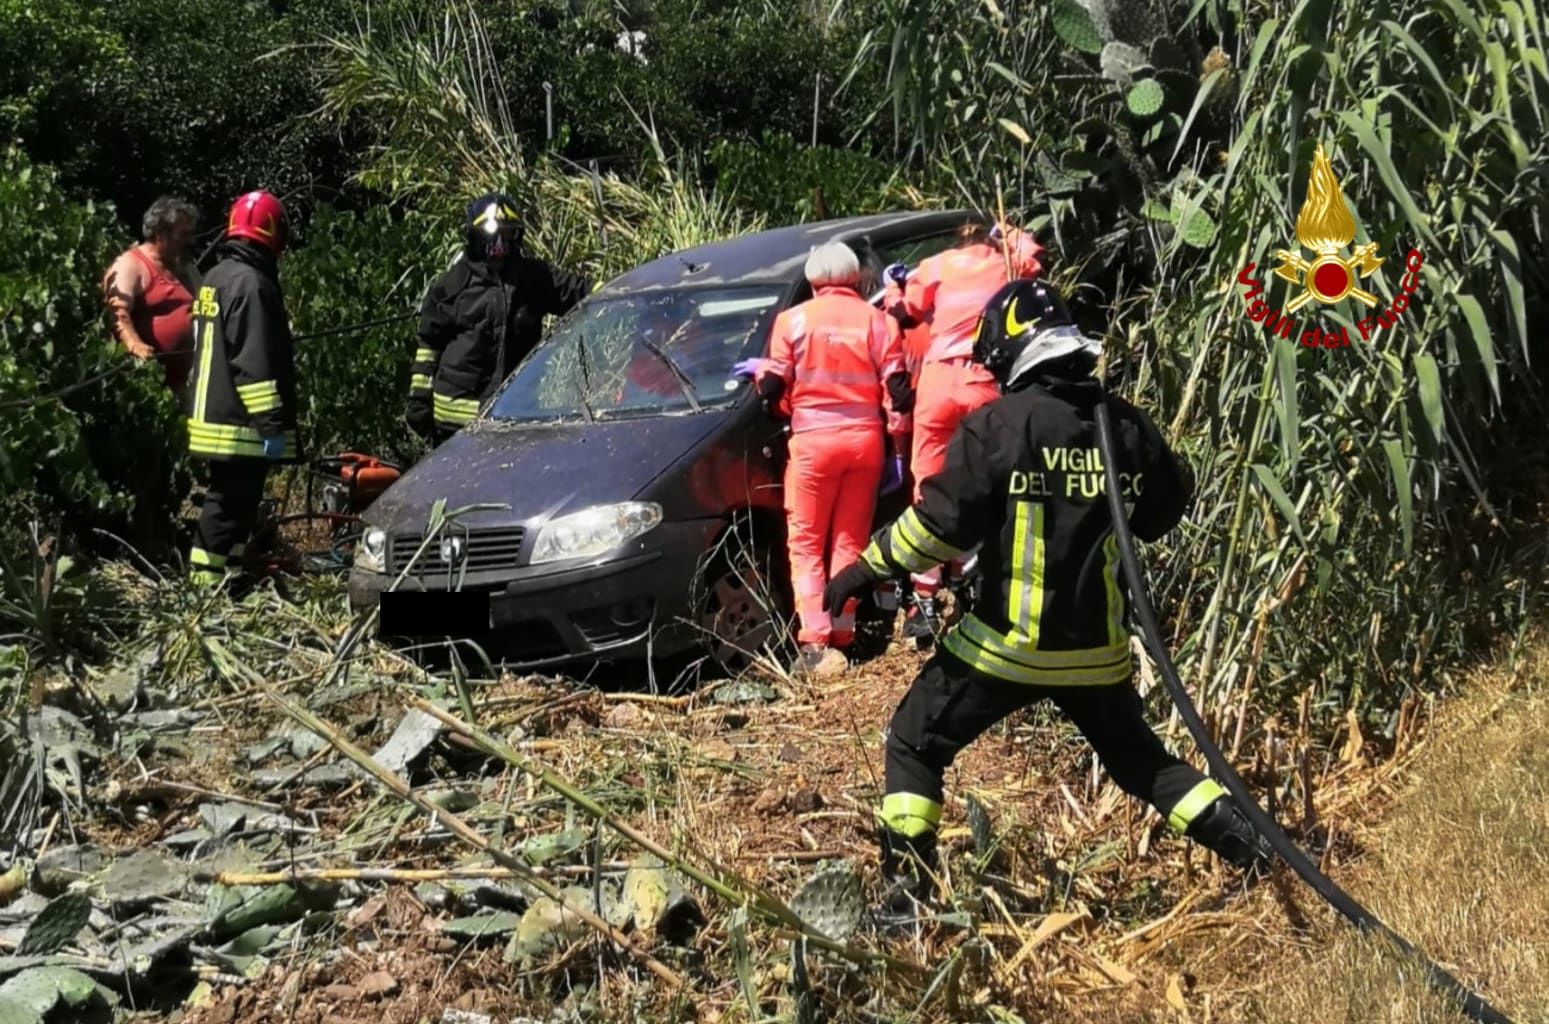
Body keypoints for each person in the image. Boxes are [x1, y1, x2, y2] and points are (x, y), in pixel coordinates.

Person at [824, 278, 1273, 926]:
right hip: (1098, 653)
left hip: (1007, 647)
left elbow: (939, 528)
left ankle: (905, 901)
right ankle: (1256, 850)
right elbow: (1164, 510)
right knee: (1140, 762)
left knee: (913, 743)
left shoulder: (999, 426)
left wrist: (862, 570)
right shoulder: (1122, 423)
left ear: (1009, 356)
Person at [740, 243, 913, 677]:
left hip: (814, 443)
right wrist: (899, 446)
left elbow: (774, 387)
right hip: (865, 443)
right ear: (855, 276)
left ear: (814, 278)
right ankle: (843, 632)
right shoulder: (878, 321)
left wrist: (764, 382)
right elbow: (897, 388)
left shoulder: (791, 321)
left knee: (806, 542)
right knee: (849, 540)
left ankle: (815, 642)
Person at [883, 220, 1045, 648]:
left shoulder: (936, 263)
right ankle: (976, 575)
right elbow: (1035, 256)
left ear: (957, 241)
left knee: (930, 485)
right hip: (982, 378)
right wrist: (1008, 231)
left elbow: (905, 312)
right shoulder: (1005, 262)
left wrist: (894, 287)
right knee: (990, 481)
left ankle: (924, 599)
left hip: (937, 383)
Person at [407, 193, 589, 447]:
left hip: (514, 421)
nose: (498, 245)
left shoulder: (534, 279)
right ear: (474, 236)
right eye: (491, 235)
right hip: (455, 428)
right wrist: (418, 405)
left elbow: (582, 292)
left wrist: (634, 288)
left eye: (507, 234)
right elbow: (428, 348)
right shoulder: (451, 286)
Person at [184, 191, 299, 584]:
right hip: (239, 425)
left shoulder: (216, 277)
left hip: (211, 415)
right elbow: (254, 363)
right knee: (226, 509)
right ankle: (203, 590)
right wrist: (272, 426)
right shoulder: (252, 284)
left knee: (236, 509)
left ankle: (226, 581)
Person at [101, 196, 200, 392]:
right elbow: (115, 311)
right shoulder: (130, 264)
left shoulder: (187, 269)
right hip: (148, 386)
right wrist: (134, 344)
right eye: (183, 234)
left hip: (187, 385)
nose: (190, 241)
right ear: (161, 234)